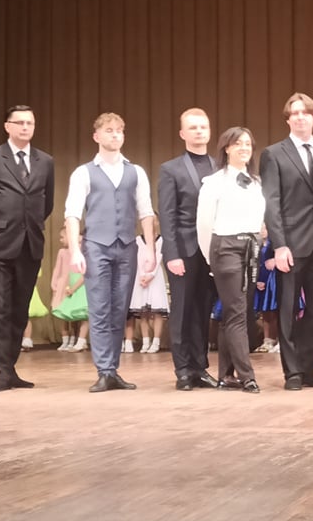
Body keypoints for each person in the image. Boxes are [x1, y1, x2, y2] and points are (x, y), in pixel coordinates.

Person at [65, 112, 155, 392]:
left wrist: (150, 250)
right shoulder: (84, 172)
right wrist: (75, 250)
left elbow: (146, 212)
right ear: (96, 136)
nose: (115, 134)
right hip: (96, 246)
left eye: (119, 130)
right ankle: (104, 369)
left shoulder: (136, 171)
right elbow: (72, 214)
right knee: (100, 308)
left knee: (119, 310)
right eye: (109, 130)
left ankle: (112, 369)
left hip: (127, 246)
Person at [0, 105, 55, 391]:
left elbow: (47, 203)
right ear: (7, 126)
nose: (25, 127)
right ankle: (0, 373)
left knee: (19, 310)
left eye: (30, 122)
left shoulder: (45, 161)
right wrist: (0, 225)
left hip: (30, 244)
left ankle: (10, 368)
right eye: (19, 122)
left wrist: (27, 226)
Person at [260, 93, 313, 391]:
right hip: (290, 244)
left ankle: (307, 368)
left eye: (306, 112)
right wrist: (279, 245)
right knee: (288, 309)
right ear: (288, 119)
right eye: (295, 113)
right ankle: (291, 371)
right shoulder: (273, 154)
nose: (300, 117)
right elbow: (271, 202)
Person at [197, 127, 265, 394]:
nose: (244, 148)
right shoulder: (214, 182)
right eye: (238, 143)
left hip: (251, 247)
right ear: (226, 148)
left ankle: (226, 375)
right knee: (236, 312)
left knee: (237, 313)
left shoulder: (256, 182)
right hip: (224, 246)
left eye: (248, 143)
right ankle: (247, 376)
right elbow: (204, 225)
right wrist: (210, 259)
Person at [158, 108, 219, 391]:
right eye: (193, 127)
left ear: (209, 131)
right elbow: (167, 215)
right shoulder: (170, 169)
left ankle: (200, 367)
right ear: (182, 133)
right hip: (183, 249)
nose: (199, 131)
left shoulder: (220, 167)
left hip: (212, 251)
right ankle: (183, 370)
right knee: (182, 311)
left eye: (203, 127)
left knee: (203, 310)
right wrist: (171, 254)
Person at [128, 224, 168, 354]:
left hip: (155, 277)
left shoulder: (161, 240)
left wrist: (151, 275)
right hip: (141, 277)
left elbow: (159, 257)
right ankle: (146, 341)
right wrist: (142, 275)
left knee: (157, 311)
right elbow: (137, 258)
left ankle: (156, 341)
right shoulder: (138, 240)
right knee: (143, 312)